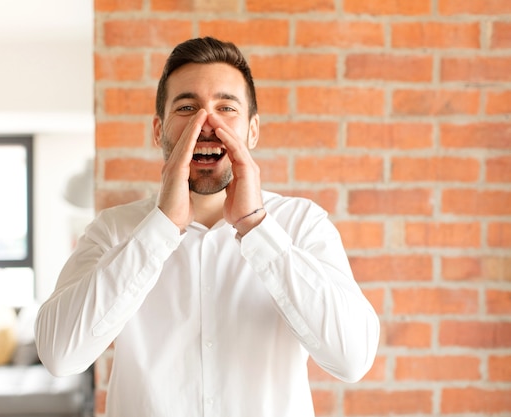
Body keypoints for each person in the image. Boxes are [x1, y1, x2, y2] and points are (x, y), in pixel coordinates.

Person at [35, 36, 380, 417]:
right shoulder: (113, 230)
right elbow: (59, 356)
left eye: (226, 107)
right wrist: (160, 228)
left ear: (252, 130)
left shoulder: (303, 225)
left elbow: (352, 359)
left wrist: (257, 228)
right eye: (187, 107)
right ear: (158, 130)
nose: (206, 123)